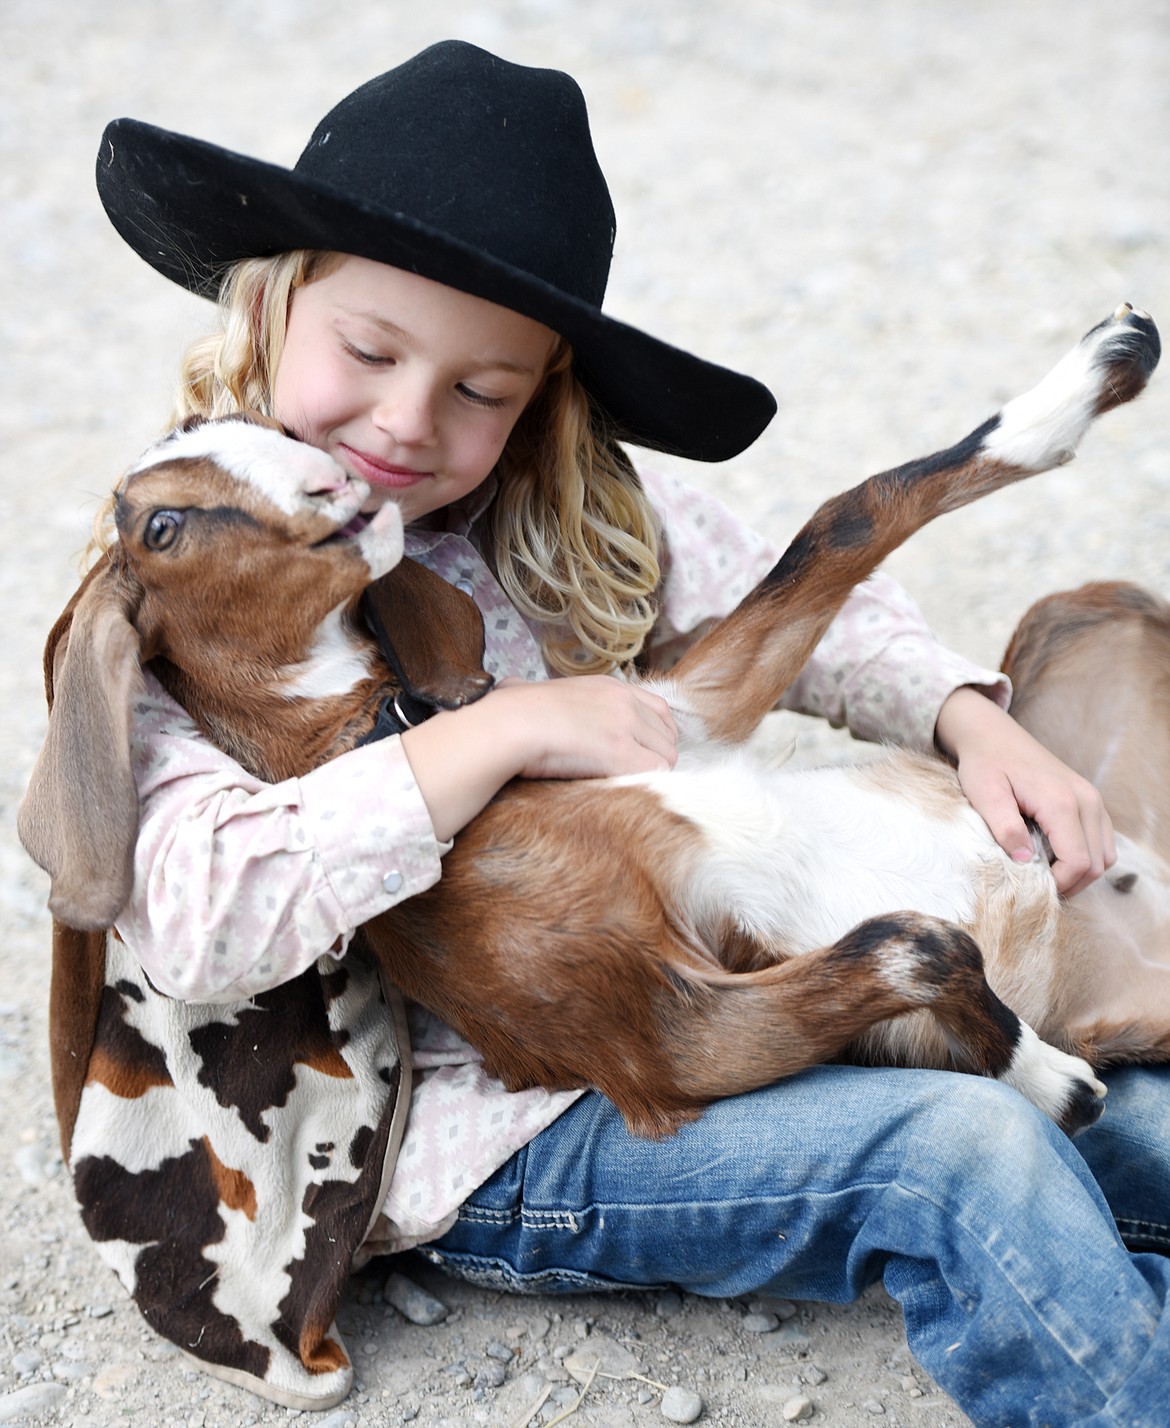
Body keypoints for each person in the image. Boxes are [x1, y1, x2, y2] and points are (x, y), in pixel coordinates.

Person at [72, 39, 1168, 1425]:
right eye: (367, 350)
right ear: (275, 307)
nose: (407, 424)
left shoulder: (553, 513)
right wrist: (502, 730)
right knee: (958, 1152)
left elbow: (807, 613)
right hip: (477, 1134)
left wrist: (967, 714)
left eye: (483, 390)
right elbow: (196, 916)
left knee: (1135, 1123)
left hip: (731, 985)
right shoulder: (191, 572)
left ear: (544, 397)